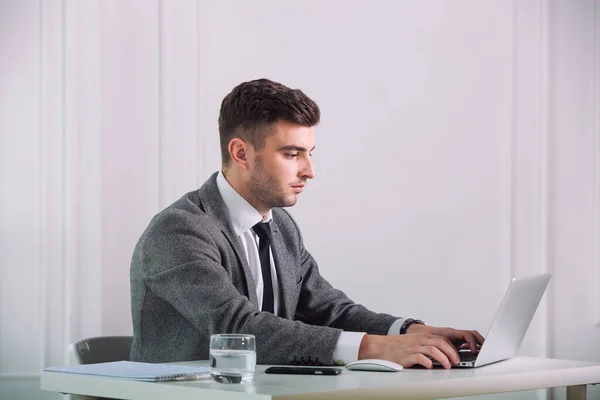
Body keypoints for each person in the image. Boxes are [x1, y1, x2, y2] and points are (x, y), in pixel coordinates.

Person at [129, 78, 484, 369]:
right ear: (241, 153)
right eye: (291, 154)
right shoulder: (179, 230)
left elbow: (330, 310)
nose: (309, 171)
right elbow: (237, 329)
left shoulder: (282, 227)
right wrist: (374, 348)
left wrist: (408, 331)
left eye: (308, 154)